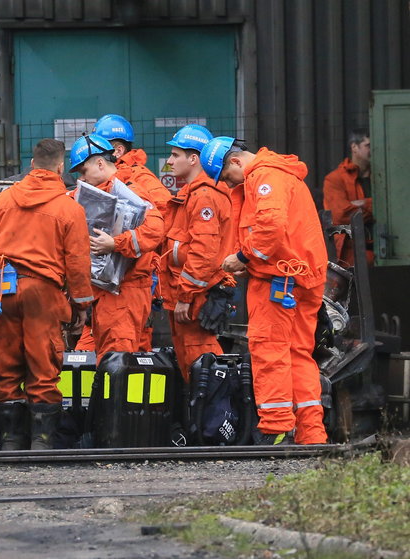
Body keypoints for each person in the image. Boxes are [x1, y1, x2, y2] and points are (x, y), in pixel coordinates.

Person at [201, 136, 328, 445]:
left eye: (227, 177)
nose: (229, 184)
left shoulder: (264, 175)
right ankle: (311, 434)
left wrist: (244, 256)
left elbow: (271, 225)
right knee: (298, 355)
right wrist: (253, 257)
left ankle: (276, 431)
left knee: (270, 352)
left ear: (234, 162)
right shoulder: (279, 173)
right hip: (301, 277)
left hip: (278, 281)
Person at [0, 138, 93, 450]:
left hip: (4, 289)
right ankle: (42, 442)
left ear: (31, 165)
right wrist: (82, 303)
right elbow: (78, 262)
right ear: (59, 168)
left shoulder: (3, 201)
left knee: (5, 363)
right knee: (43, 366)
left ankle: (11, 440)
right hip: (43, 292)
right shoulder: (69, 208)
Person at [69, 133, 165, 362]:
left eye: (83, 172)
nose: (81, 179)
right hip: (110, 292)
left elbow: (155, 229)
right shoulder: (96, 192)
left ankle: (114, 400)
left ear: (100, 163)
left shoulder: (128, 191)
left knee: (117, 361)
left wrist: (115, 243)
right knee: (116, 361)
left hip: (124, 293)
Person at [160, 125, 235, 382]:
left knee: (201, 364)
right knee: (192, 366)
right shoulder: (192, 194)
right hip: (186, 293)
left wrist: (186, 296)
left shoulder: (203, 196)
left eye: (174, 155)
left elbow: (204, 252)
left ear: (193, 159)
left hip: (195, 297)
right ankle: (201, 418)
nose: (169, 161)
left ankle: (210, 420)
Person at [93, 114, 172, 349]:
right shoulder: (111, 178)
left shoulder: (140, 179)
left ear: (116, 150)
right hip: (111, 280)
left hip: (131, 279)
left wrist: (148, 265)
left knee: (126, 351)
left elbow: (161, 225)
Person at [322, 129, 373, 264]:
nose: (374, 149)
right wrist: (375, 205)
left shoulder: (383, 176)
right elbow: (340, 215)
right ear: (354, 147)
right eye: (368, 146)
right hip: (351, 258)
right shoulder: (335, 179)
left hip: (385, 252)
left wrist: (361, 203)